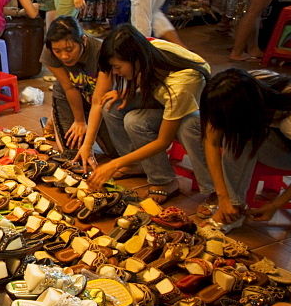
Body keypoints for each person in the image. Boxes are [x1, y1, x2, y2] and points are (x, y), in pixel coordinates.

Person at [75, 24, 213, 204]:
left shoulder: (181, 84)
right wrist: (87, 145)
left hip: (194, 107)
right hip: (166, 97)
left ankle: (167, 181)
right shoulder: (146, 50)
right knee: (111, 104)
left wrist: (114, 164)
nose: (116, 73)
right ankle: (137, 164)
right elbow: (98, 100)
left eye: (117, 67)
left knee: (136, 122)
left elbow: (163, 141)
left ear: (135, 59)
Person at [201, 68, 291, 229]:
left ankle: (232, 212)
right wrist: (222, 196)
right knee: (232, 132)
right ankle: (231, 206)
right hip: (272, 134)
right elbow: (212, 142)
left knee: (239, 137)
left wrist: (274, 205)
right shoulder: (244, 84)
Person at [40, 16, 121, 159]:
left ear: (83, 41)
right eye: (58, 51)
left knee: (114, 152)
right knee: (72, 153)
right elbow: (70, 88)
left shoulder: (102, 52)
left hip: (97, 98)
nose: (64, 56)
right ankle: (59, 114)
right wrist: (79, 121)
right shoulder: (50, 51)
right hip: (69, 94)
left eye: (69, 49)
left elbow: (98, 101)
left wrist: (88, 143)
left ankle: (55, 118)